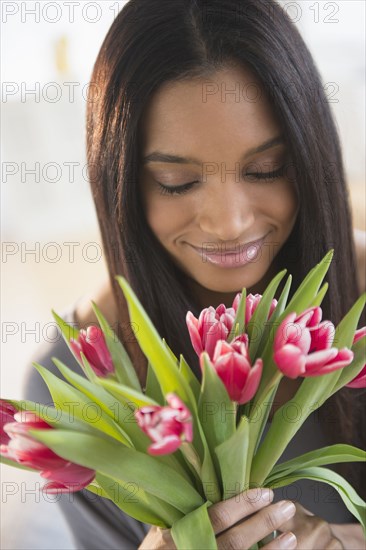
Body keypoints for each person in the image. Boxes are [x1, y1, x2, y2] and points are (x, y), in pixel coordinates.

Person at [23, 0, 366, 548]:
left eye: (265, 169)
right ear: (122, 187)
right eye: (177, 181)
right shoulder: (76, 386)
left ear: (310, 154)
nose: (229, 223)